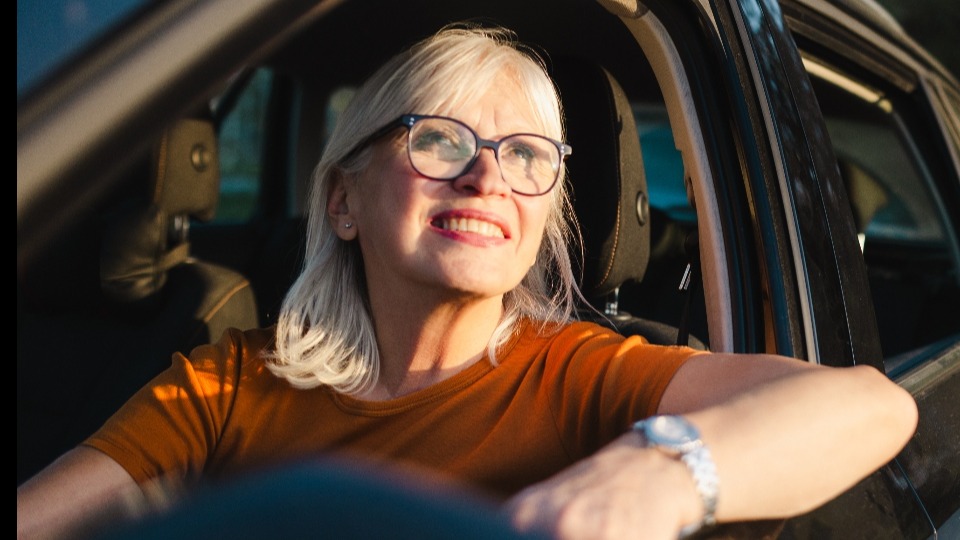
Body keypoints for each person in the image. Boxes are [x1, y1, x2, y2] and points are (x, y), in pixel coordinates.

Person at [17, 23, 917, 540]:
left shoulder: (581, 375)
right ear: (342, 199)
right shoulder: (229, 384)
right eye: (440, 141)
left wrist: (664, 472)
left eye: (526, 156)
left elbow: (875, 407)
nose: (487, 180)